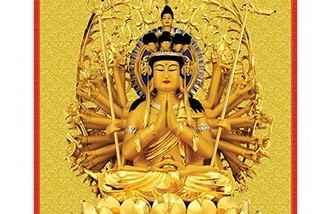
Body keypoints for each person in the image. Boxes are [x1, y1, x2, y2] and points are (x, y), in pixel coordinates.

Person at [98, 51, 234, 201]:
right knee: (112, 179)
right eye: (160, 69)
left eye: (173, 69)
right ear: (151, 77)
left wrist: (177, 128)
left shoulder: (194, 109)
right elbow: (128, 152)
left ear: (182, 76)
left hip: (186, 175)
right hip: (149, 175)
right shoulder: (139, 109)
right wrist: (155, 128)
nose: (166, 75)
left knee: (221, 180)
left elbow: (207, 151)